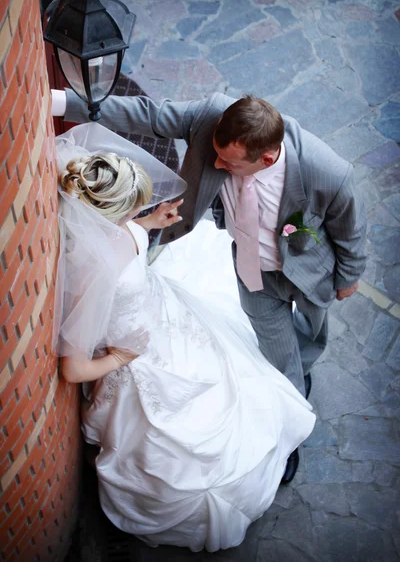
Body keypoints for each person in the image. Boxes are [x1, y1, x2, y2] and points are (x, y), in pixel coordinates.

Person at [52, 89, 367, 481]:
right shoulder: (210, 118)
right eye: (216, 153)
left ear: (266, 158)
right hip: (254, 271)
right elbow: (145, 113)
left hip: (310, 273)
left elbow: (348, 228)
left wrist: (349, 276)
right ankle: (288, 430)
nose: (215, 164)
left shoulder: (328, 171)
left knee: (311, 337)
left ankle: (301, 369)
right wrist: (60, 102)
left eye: (228, 162)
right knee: (280, 356)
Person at [54, 122, 315, 553]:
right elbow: (74, 369)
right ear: (106, 215)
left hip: (167, 316)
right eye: (132, 210)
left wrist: (149, 222)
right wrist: (122, 358)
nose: (138, 214)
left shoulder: (106, 230)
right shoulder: (91, 275)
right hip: (135, 355)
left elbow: (122, 235)